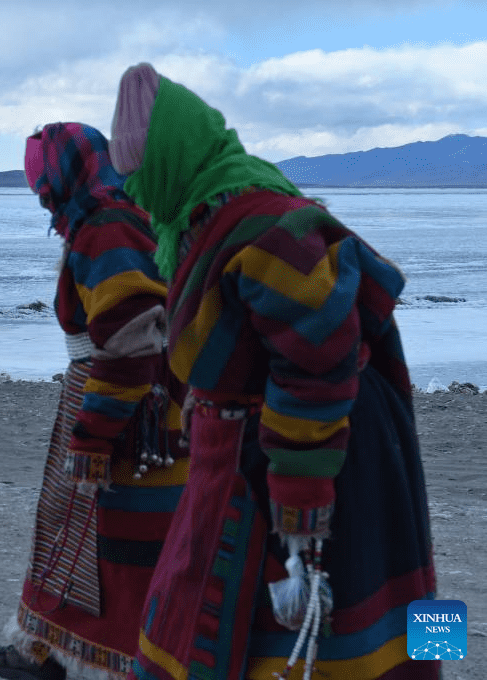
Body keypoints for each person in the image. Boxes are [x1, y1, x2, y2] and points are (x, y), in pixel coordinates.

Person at [108, 63, 439, 679]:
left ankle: (433, 660)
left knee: (356, 603)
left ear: (173, 159)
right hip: (243, 457)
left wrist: (300, 505)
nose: (132, 191)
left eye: (139, 173)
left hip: (324, 453)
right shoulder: (196, 222)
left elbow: (318, 355)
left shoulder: (259, 226)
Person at [0, 122, 187, 680]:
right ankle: (37, 649)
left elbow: (131, 340)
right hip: (143, 410)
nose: (41, 197)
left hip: (128, 416)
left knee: (116, 547)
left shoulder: (107, 229)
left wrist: (93, 436)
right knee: (78, 529)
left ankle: (114, 662)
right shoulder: (123, 217)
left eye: (42, 185)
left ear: (60, 181)